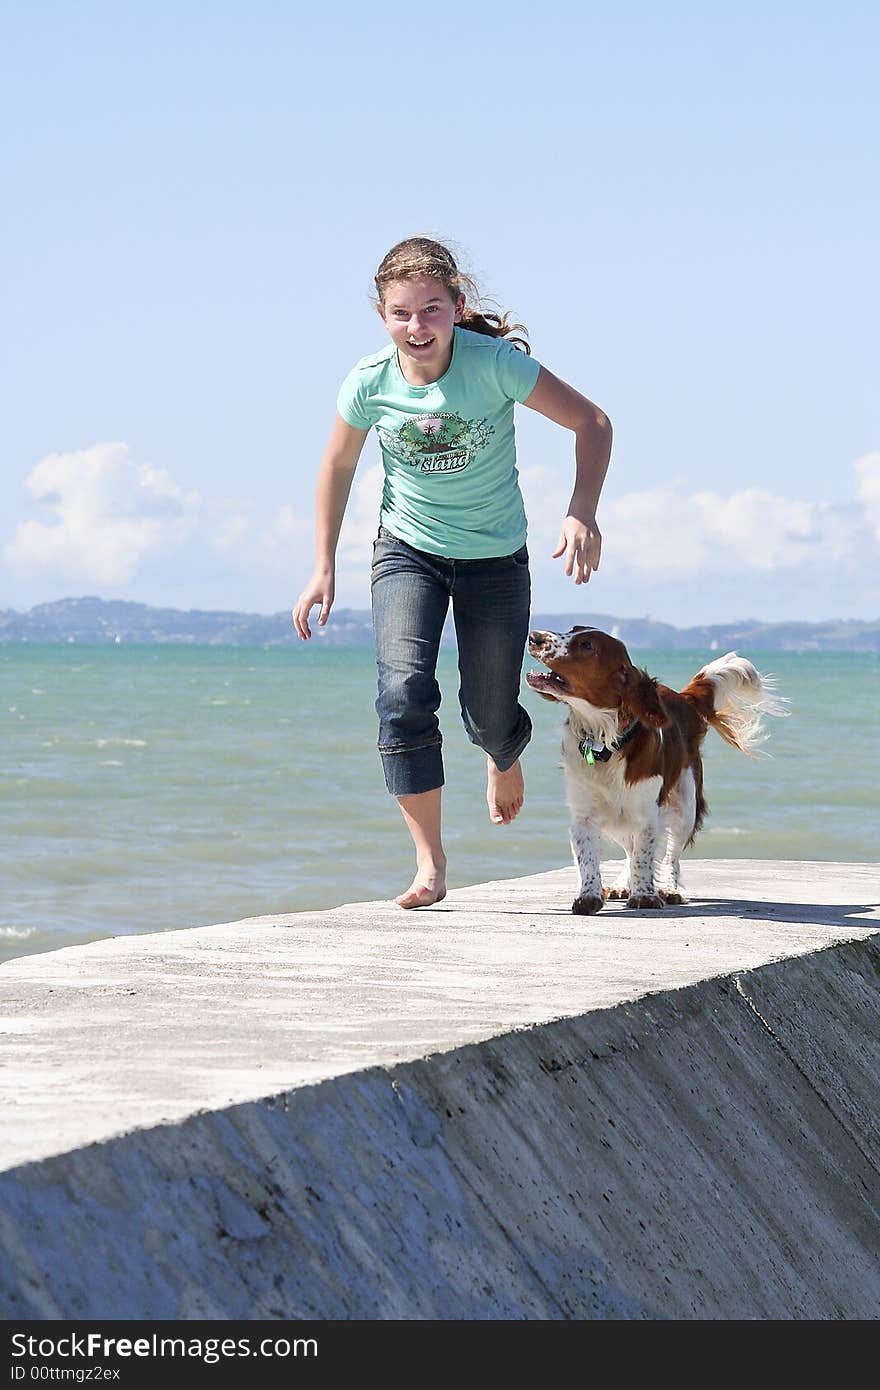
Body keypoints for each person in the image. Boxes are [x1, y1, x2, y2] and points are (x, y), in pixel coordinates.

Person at [292, 237, 612, 909]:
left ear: (456, 306)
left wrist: (582, 508)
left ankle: (503, 750)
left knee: (488, 714)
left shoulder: (493, 365)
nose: (417, 327)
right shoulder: (368, 382)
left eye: (432, 310)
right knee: (403, 694)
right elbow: (338, 465)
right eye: (402, 313)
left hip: (494, 559)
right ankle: (430, 863)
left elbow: (592, 422)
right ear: (383, 316)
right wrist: (322, 563)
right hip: (408, 551)